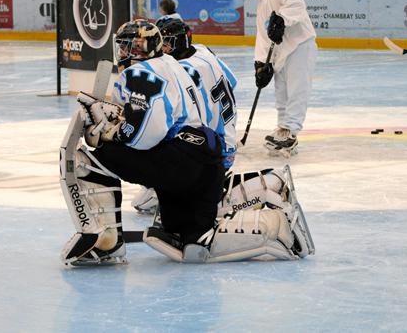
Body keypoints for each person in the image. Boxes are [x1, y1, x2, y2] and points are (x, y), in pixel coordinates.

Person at [61, 20, 309, 265]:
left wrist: (108, 134)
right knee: (193, 241)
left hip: (184, 159)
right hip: (208, 152)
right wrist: (121, 120)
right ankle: (275, 218)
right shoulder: (183, 60)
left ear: (141, 48)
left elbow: (145, 135)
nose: (123, 53)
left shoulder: (141, 72)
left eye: (128, 46)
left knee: (91, 160)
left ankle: (103, 239)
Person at [132, 17, 238, 214]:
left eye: (166, 44)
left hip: (211, 153)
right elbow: (232, 81)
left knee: (154, 133)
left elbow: (184, 117)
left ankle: (173, 187)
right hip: (226, 145)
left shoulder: (181, 69)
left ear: (179, 43)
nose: (161, 48)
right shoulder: (203, 51)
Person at [240, 0, 317, 155]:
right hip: (281, 55)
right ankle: (282, 130)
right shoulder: (261, 6)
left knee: (297, 90)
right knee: (281, 93)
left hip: (300, 46)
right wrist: (261, 64)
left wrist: (282, 19)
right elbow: (263, 38)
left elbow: (297, 6)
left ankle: (290, 131)